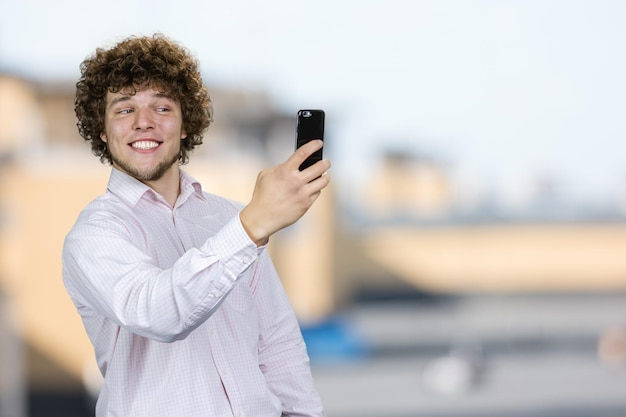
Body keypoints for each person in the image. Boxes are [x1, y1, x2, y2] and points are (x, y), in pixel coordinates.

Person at [62, 33, 330, 417]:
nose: (143, 123)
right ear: (102, 131)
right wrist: (253, 223)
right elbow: (158, 313)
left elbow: (278, 345)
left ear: (186, 124)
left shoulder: (229, 219)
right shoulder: (95, 234)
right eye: (124, 110)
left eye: (162, 108)